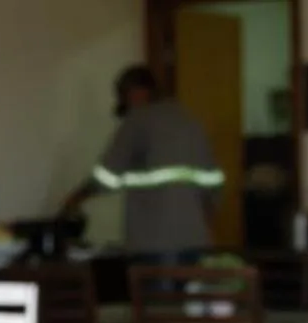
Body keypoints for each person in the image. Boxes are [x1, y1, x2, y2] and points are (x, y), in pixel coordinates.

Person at [63, 65, 222, 263]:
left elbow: (107, 177)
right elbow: (213, 186)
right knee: (187, 285)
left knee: (155, 286)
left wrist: (74, 200)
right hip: (195, 241)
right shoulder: (190, 121)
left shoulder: (137, 120)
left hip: (154, 245)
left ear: (133, 93)